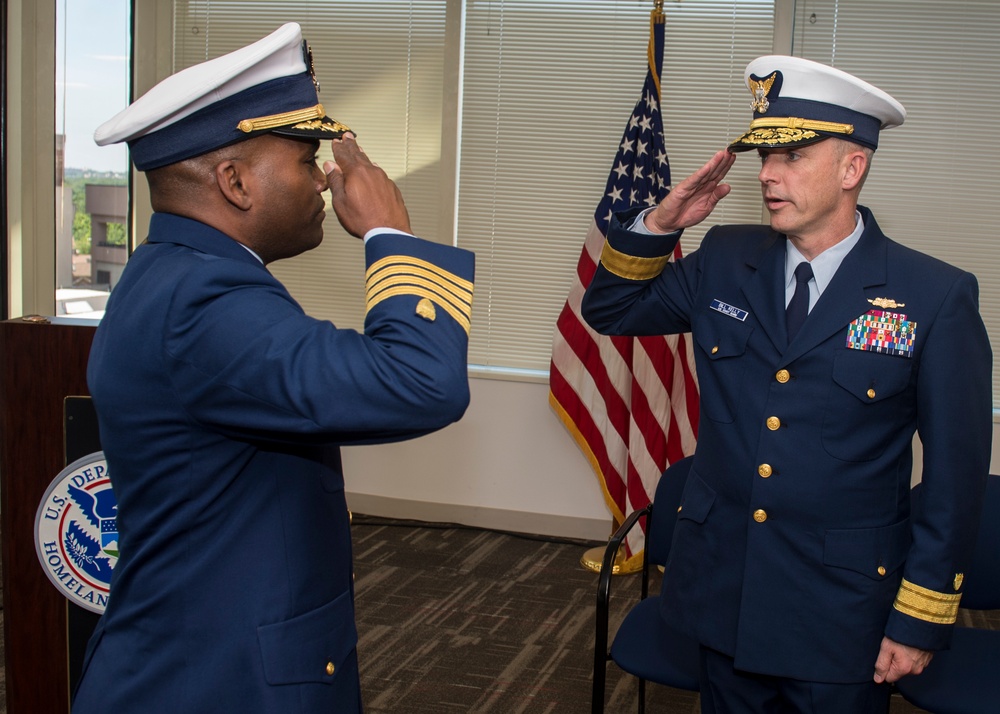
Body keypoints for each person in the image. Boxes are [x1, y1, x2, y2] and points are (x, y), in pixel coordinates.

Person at [72, 23, 474, 714]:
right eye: (301, 157)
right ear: (232, 181)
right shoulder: (205, 304)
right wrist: (391, 235)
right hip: (215, 683)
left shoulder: (178, 274)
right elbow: (421, 381)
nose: (322, 175)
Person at [582, 55, 992, 713]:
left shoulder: (933, 296)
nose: (768, 174)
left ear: (852, 167)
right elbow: (610, 312)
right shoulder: (723, 257)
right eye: (765, 156)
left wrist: (920, 617)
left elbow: (955, 477)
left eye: (794, 155)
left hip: (841, 613)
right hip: (725, 595)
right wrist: (661, 224)